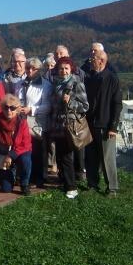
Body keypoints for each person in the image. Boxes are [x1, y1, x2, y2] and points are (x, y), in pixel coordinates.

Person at [49, 56, 89, 199]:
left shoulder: (76, 83)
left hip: (69, 126)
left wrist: (70, 102)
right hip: (58, 125)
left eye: (66, 68)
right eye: (61, 68)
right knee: (59, 156)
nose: (63, 71)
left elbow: (85, 106)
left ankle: (72, 187)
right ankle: (65, 182)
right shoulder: (56, 84)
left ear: (71, 69)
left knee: (66, 157)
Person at [84, 50, 122, 196]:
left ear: (101, 61)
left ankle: (112, 188)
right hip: (90, 124)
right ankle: (92, 185)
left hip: (105, 125)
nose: (90, 61)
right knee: (91, 157)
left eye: (93, 59)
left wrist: (113, 127)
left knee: (107, 158)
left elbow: (117, 104)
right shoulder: (90, 78)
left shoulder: (112, 79)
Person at [0, 94, 32, 195]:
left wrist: (11, 155)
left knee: (26, 158)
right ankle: (9, 174)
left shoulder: (22, 122)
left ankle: (24, 184)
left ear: (18, 109)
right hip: (2, 154)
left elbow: (26, 144)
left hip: (18, 152)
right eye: (6, 107)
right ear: (2, 108)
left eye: (12, 108)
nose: (9, 111)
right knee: (6, 189)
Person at [19, 57, 53, 188]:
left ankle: (39, 178)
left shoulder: (46, 85)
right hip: (23, 123)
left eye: (33, 68)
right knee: (27, 151)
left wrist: (31, 109)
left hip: (38, 124)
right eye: (28, 68)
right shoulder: (22, 83)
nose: (30, 70)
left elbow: (48, 106)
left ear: (39, 70)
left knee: (39, 152)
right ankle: (27, 177)